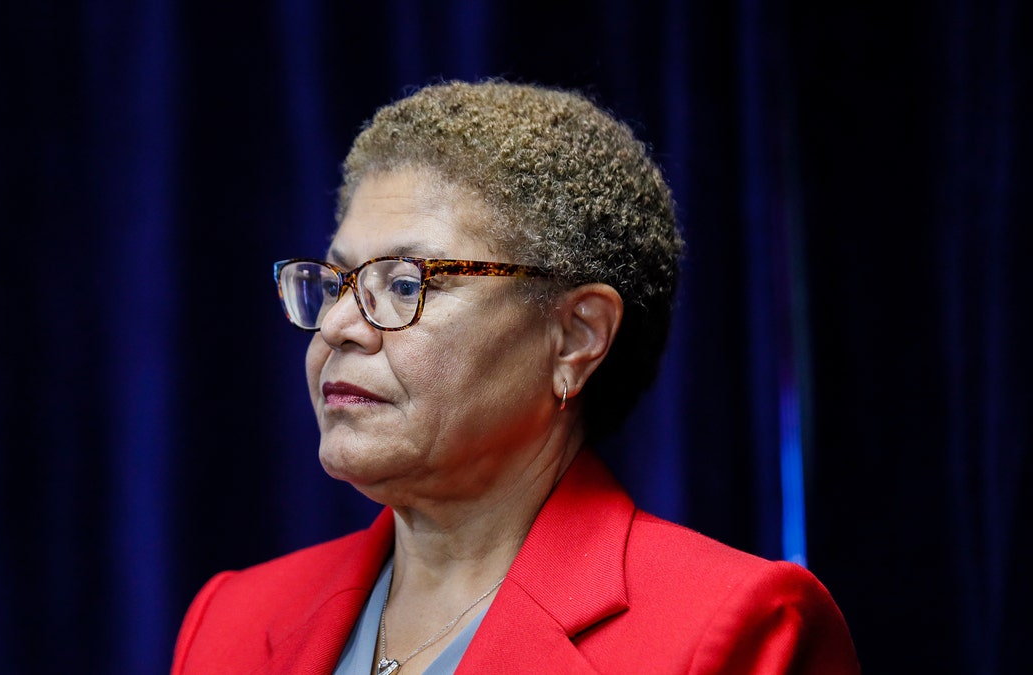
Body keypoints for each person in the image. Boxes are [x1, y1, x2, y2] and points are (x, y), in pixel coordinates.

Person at [172, 80, 859, 674]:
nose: (337, 328)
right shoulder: (231, 619)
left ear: (576, 336)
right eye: (337, 282)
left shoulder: (736, 627)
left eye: (405, 282)